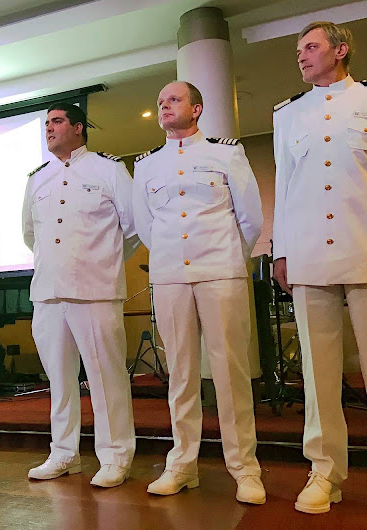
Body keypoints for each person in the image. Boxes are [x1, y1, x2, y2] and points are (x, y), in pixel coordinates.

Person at [272, 21, 367, 520]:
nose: (302, 56)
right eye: (299, 50)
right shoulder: (289, 116)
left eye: (311, 47)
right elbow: (287, 187)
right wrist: (282, 252)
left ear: (340, 51)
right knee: (317, 374)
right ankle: (325, 472)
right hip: (311, 257)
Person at [133, 81, 266, 504]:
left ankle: (245, 468)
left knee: (230, 372)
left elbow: (250, 219)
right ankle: (183, 463)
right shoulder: (146, 165)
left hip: (220, 270)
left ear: (197, 108)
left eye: (173, 99)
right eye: (160, 102)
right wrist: (177, 259)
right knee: (181, 373)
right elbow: (146, 225)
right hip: (170, 273)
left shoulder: (226, 153)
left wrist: (225, 258)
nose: (164, 106)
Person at [22, 102, 139, 488]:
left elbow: (133, 228)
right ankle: (63, 452)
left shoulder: (109, 169)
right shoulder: (37, 179)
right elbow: (30, 235)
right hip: (49, 292)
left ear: (78, 127)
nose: (49, 129)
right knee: (59, 377)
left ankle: (115, 454)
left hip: (95, 289)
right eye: (46, 124)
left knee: (106, 377)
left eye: (56, 122)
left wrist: (100, 261)